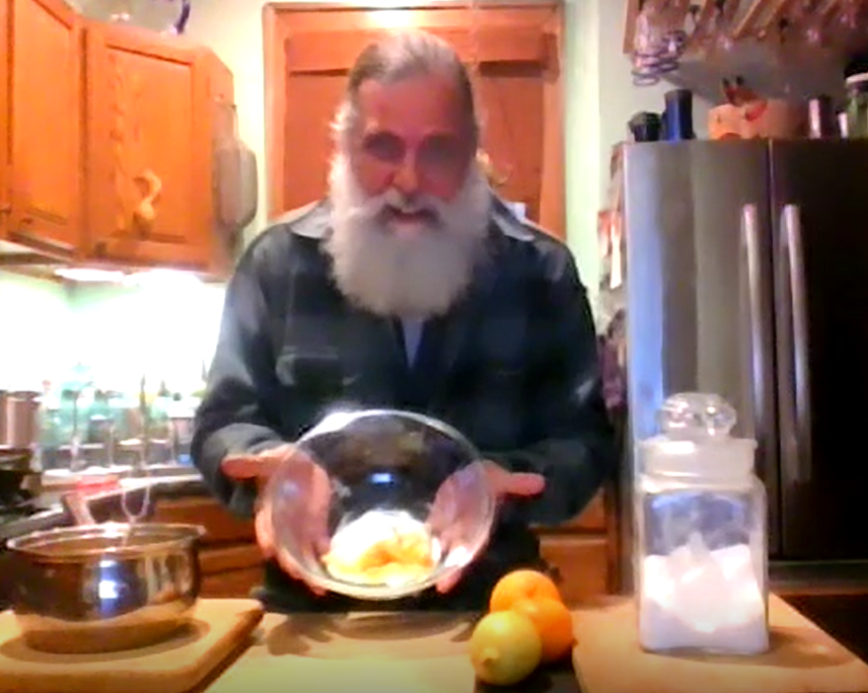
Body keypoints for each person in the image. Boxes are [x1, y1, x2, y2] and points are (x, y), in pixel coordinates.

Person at [192, 29, 615, 612]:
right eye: (384, 147)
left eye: (437, 151)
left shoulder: (540, 271)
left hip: (490, 611)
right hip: (312, 617)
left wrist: (503, 482)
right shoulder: (275, 264)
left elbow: (585, 442)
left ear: (472, 153)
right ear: (343, 148)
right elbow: (222, 424)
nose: (409, 183)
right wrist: (277, 470)